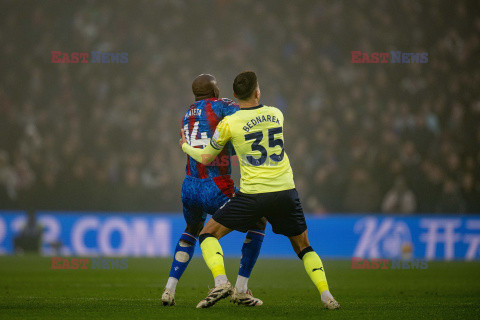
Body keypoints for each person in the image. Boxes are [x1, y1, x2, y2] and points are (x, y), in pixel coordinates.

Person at [179, 71, 340, 309]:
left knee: (207, 234)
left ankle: (222, 282)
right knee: (304, 246)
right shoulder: (277, 114)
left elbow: (206, 156)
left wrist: (185, 146)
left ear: (233, 95)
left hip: (253, 194)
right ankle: (327, 295)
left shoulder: (229, 124)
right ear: (257, 92)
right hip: (285, 190)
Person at [162, 74, 265, 307]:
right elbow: (246, 113)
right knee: (258, 221)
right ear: (214, 91)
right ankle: (237, 287)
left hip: (189, 185)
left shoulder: (187, 113)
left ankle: (169, 289)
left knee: (192, 229)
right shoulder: (221, 105)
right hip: (216, 184)